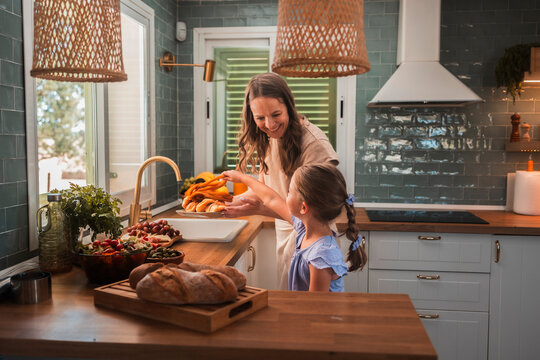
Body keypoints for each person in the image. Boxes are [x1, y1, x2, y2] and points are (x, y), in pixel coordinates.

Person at [222, 72, 339, 290]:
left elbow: (310, 214)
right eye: (260, 118)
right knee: (293, 310)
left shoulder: (315, 145)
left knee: (315, 313)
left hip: (313, 242)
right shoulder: (272, 138)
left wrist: (260, 209)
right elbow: (266, 189)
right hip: (288, 238)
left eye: (276, 114)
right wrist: (221, 204)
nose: (269, 124)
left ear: (289, 106)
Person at [223, 163, 367, 292]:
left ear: (303, 208)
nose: (285, 194)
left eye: (289, 192)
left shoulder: (321, 256)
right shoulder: (305, 229)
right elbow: (271, 199)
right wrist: (242, 179)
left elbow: (316, 308)